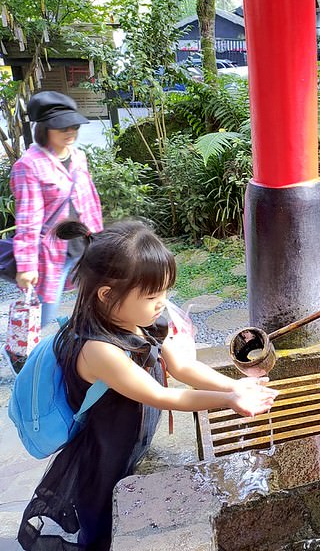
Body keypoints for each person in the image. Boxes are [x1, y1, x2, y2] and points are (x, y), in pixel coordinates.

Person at [18, 219, 279, 550]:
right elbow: (161, 395)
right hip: (101, 459)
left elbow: (183, 366)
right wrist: (227, 400)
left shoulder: (140, 320)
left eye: (166, 291)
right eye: (153, 295)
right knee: (99, 530)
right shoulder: (99, 349)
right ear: (107, 295)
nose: (163, 302)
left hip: (127, 442)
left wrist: (235, 387)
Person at [10, 91, 104, 326]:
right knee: (41, 317)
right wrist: (26, 267)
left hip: (85, 245)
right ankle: (22, 357)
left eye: (73, 126)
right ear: (44, 129)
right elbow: (28, 220)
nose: (70, 132)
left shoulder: (78, 156)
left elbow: (90, 200)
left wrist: (100, 238)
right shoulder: (29, 165)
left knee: (94, 305)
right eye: (63, 127)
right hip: (52, 254)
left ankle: (81, 353)